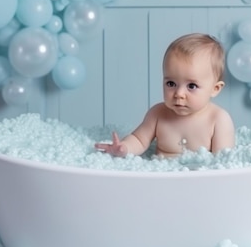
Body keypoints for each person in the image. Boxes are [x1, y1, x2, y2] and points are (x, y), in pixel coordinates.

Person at [95, 33, 235, 157]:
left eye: (191, 86)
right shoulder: (158, 114)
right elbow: (139, 140)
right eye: (171, 84)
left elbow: (223, 160)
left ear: (215, 88)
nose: (179, 94)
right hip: (162, 179)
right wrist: (124, 148)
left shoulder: (218, 120)